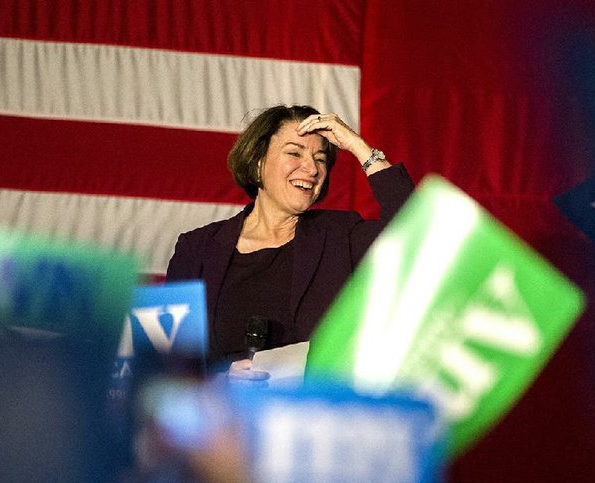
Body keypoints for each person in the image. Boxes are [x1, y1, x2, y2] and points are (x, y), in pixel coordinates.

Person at [166, 105, 414, 376]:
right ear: (258, 162)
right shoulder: (197, 249)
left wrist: (358, 147)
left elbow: (416, 229)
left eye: (320, 159)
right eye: (294, 153)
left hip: (311, 413)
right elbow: (166, 368)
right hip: (223, 415)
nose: (311, 168)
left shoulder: (340, 235)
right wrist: (220, 381)